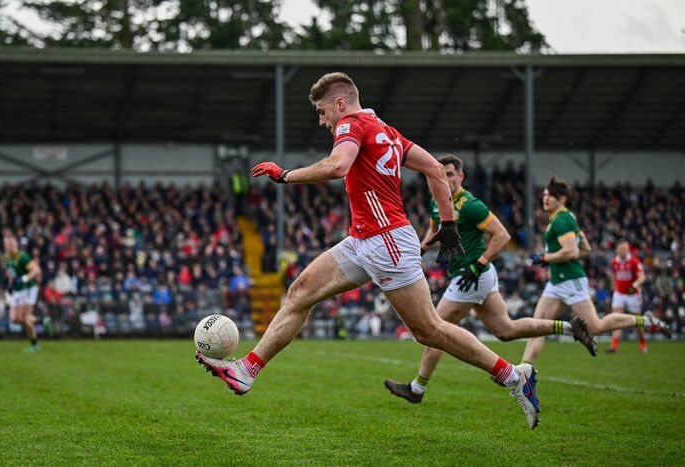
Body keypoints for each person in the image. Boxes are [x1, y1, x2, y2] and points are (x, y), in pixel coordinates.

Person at [196, 72, 541, 430]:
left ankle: (515, 376)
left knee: (429, 330)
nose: (321, 120)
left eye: (321, 110)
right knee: (300, 292)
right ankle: (246, 371)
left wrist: (284, 175)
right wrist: (449, 225)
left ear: (340, 103)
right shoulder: (387, 131)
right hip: (364, 240)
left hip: (387, 241)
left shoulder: (351, 125)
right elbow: (436, 169)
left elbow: (338, 166)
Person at [384, 155, 595, 404]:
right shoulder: (437, 200)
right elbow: (434, 230)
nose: (446, 178)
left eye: (451, 174)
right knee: (506, 329)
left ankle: (417, 389)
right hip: (473, 277)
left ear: (461, 176)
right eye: (442, 173)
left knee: (433, 330)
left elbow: (502, 236)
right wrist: (418, 251)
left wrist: (480, 264)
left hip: (471, 276)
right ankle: (570, 327)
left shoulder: (470, 204)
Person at [521, 177, 670, 364]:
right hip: (557, 281)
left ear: (562, 199)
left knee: (596, 327)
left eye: (551, 195)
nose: (546, 198)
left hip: (571, 280)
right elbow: (586, 249)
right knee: (537, 326)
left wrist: (545, 258)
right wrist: (551, 258)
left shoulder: (562, 221)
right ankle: (522, 372)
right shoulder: (565, 219)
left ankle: (647, 321)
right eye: (544, 194)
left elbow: (572, 251)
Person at [2, 231, 42, 352]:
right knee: (15, 318)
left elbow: (36, 270)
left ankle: (34, 344)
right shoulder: (5, 258)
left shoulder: (22, 256)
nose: (9, 246)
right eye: (7, 244)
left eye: (11, 243)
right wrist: (10, 285)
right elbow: (10, 274)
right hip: (18, 291)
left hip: (28, 289)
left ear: (15, 244)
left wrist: (25, 278)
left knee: (25, 318)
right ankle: (41, 320)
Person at [606, 240, 648, 353]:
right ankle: (614, 345)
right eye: (621, 248)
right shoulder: (614, 262)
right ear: (616, 250)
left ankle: (643, 343)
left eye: (625, 248)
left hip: (633, 295)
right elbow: (613, 275)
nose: (623, 250)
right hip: (619, 293)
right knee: (616, 317)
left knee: (638, 320)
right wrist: (613, 287)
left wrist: (634, 286)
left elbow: (642, 277)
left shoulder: (634, 262)